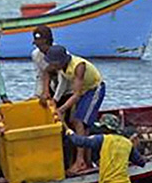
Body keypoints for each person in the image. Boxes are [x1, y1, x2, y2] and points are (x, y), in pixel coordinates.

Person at [41, 45, 106, 173]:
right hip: (83, 92)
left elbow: (76, 95)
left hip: (94, 90)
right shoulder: (57, 66)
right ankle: (86, 160)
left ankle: (80, 161)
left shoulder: (78, 66)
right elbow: (46, 71)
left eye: (53, 64)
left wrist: (61, 109)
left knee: (78, 121)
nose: (52, 66)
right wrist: (45, 91)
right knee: (72, 121)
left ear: (60, 62)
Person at [64, 114, 146, 183]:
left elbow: (78, 141)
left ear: (106, 128)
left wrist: (68, 131)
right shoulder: (127, 143)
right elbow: (141, 162)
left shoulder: (101, 139)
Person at [31, 25, 68, 99]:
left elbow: (64, 79)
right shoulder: (35, 55)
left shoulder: (61, 53)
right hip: (51, 86)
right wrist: (37, 95)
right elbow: (40, 76)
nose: (40, 48)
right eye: (38, 45)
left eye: (42, 45)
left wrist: (56, 99)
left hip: (67, 88)